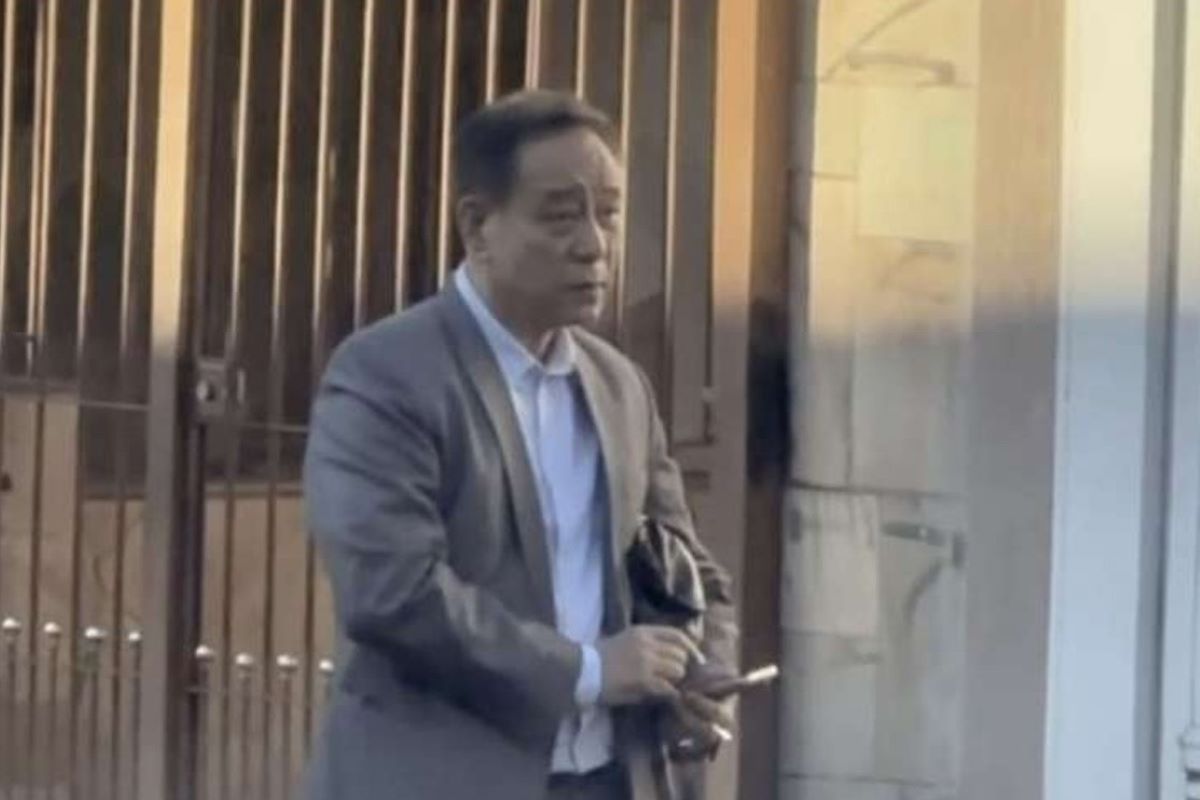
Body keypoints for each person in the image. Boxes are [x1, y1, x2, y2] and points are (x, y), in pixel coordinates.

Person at [303, 89, 738, 800]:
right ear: (478, 227)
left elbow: (687, 569)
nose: (594, 244)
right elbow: (392, 591)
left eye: (609, 214)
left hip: (607, 779)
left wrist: (703, 667)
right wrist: (588, 671)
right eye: (562, 217)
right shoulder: (386, 375)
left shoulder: (620, 386)